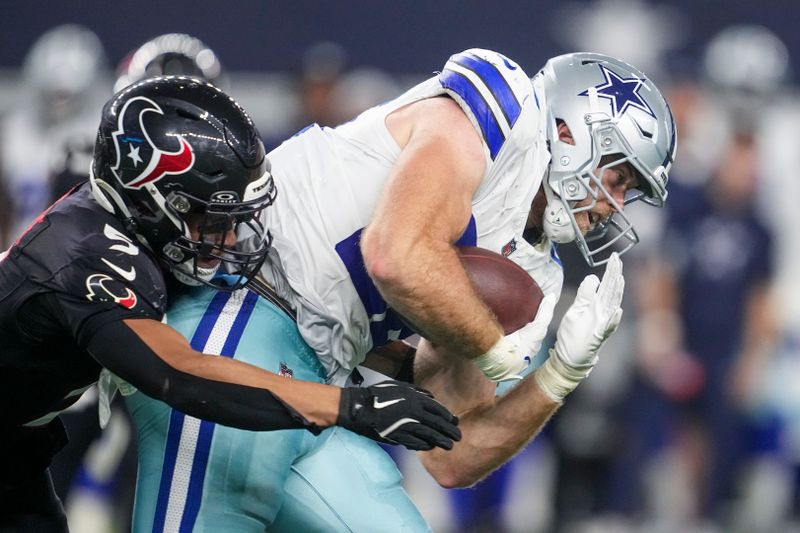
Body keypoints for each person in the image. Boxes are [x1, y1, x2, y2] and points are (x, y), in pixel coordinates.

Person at [0, 76, 460, 532]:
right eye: (211, 219)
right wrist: (349, 406)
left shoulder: (139, 230)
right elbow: (177, 373)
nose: (229, 238)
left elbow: (280, 300)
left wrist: (408, 367)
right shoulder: (87, 257)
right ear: (153, 201)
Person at [248, 48, 677, 488]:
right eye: (620, 179)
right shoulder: (503, 113)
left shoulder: (537, 273)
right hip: (251, 295)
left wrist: (560, 373)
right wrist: (493, 347)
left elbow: (450, 455)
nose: (618, 205)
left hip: (323, 371)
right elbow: (394, 256)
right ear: (570, 134)